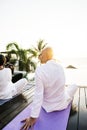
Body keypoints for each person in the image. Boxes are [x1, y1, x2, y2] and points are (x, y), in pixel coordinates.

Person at [20, 47, 78, 130]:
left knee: (68, 89)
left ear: (46, 56)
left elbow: (38, 94)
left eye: (41, 54)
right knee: (74, 86)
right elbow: (61, 84)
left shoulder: (39, 70)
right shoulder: (60, 67)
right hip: (61, 103)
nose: (39, 57)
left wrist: (33, 117)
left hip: (47, 106)